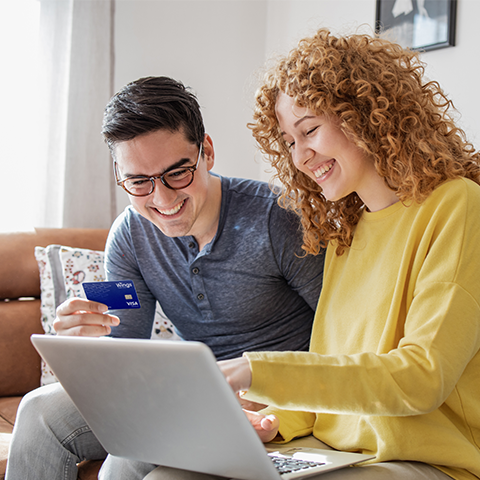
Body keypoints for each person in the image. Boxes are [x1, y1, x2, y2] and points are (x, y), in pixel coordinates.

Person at [5, 76, 325, 480]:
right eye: (139, 182)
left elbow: (344, 339)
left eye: (177, 173)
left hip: (277, 395)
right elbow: (124, 346)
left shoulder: (277, 218)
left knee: (127, 460)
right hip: (188, 394)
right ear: (120, 175)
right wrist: (83, 343)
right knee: (38, 411)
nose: (162, 199)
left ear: (205, 151)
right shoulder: (128, 236)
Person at [212, 28, 480, 480]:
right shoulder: (345, 236)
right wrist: (272, 423)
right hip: (338, 455)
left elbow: (420, 379)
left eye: (309, 130)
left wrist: (259, 369)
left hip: (427, 463)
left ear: (363, 115)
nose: (300, 157)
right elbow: (333, 395)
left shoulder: (457, 206)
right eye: (289, 142)